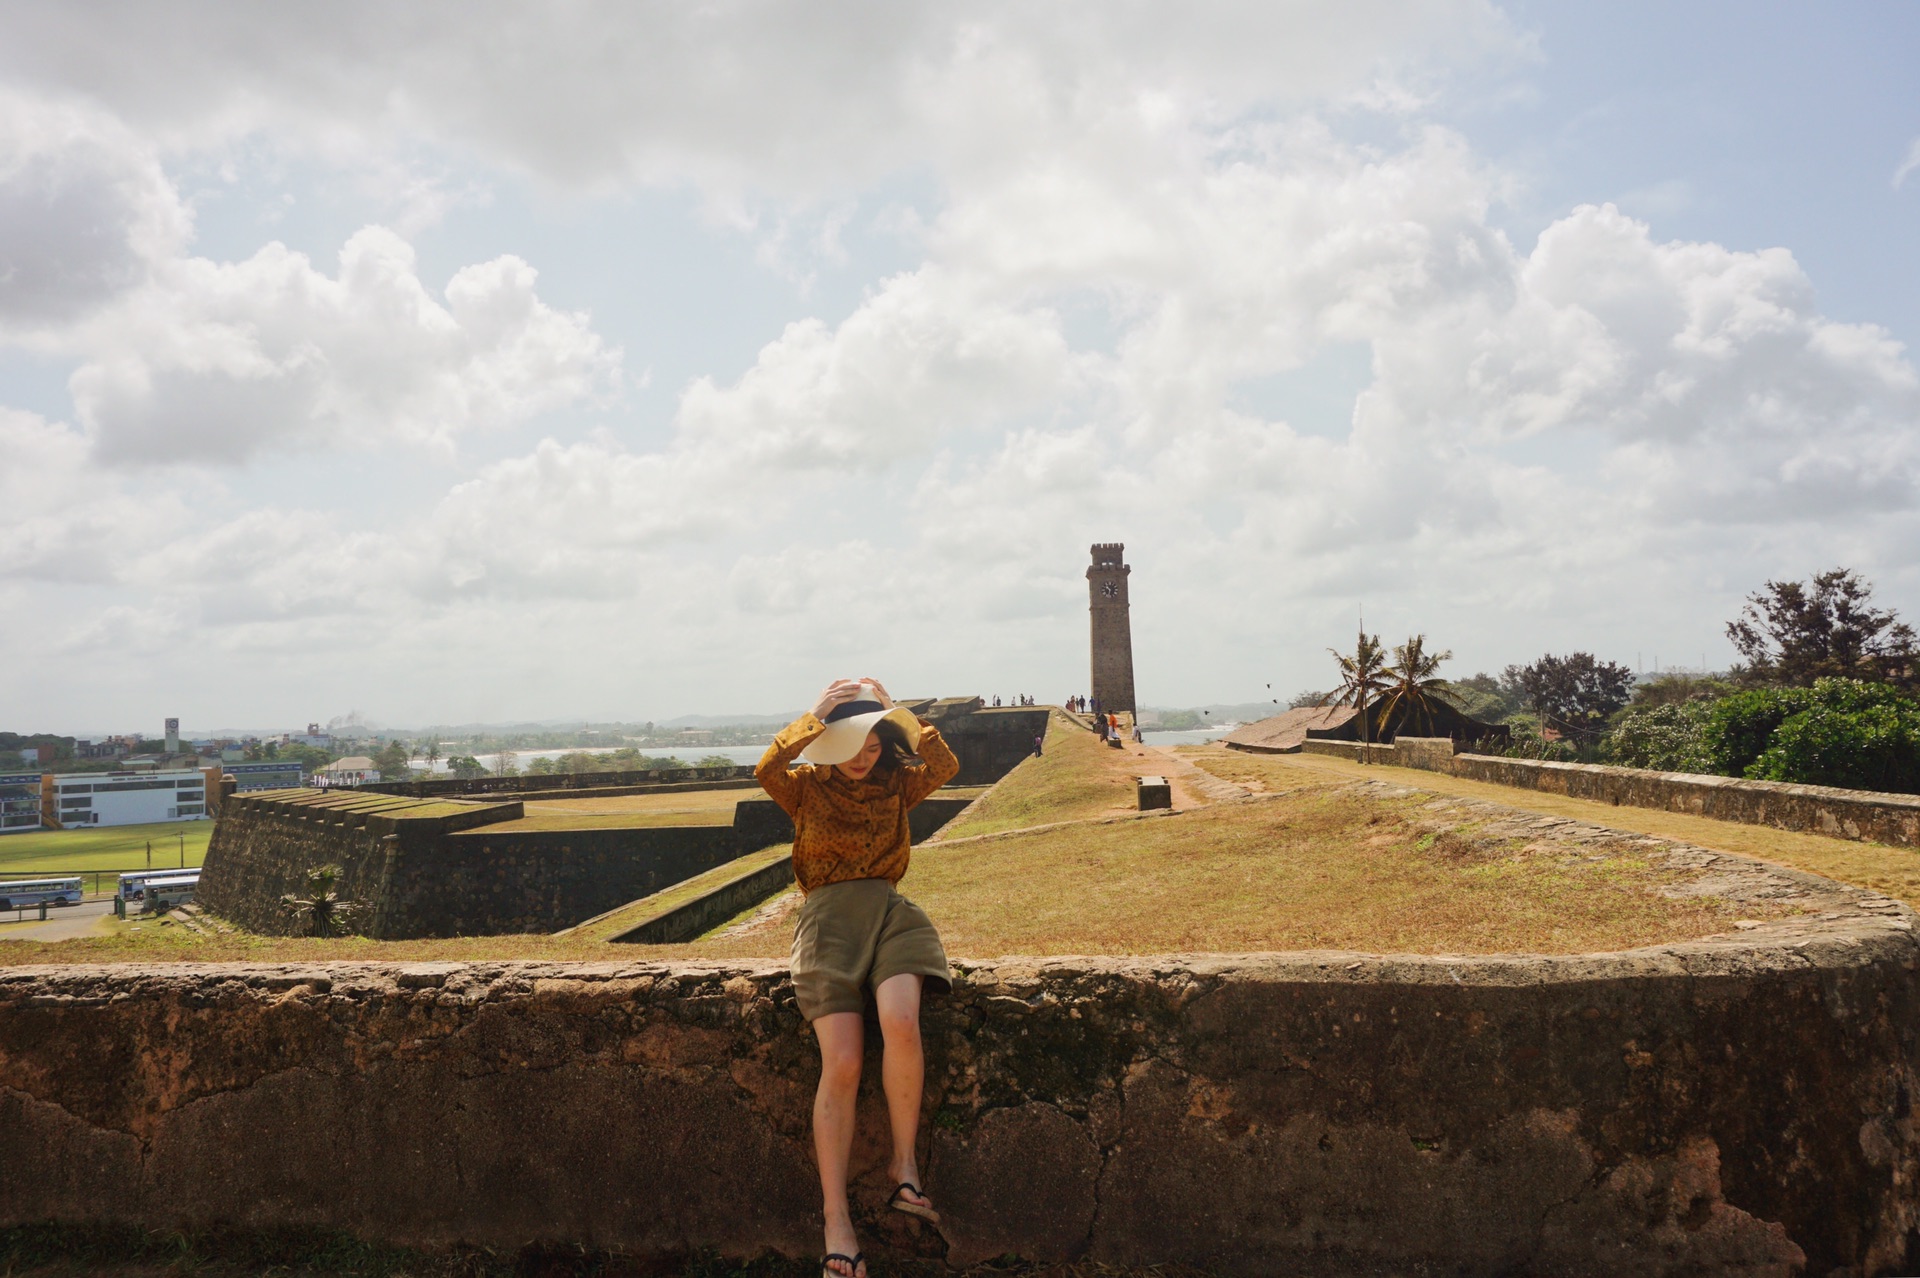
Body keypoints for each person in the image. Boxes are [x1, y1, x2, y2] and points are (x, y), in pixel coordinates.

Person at [757, 677, 960, 1278]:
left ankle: (904, 1170)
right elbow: (767, 769)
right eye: (848, 744)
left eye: (872, 744)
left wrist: (894, 707)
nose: (862, 756)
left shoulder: (896, 780)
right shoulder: (805, 788)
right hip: (827, 922)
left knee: (901, 1020)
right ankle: (836, 1219)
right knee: (842, 1062)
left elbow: (943, 762)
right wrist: (813, 716)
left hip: (893, 914)